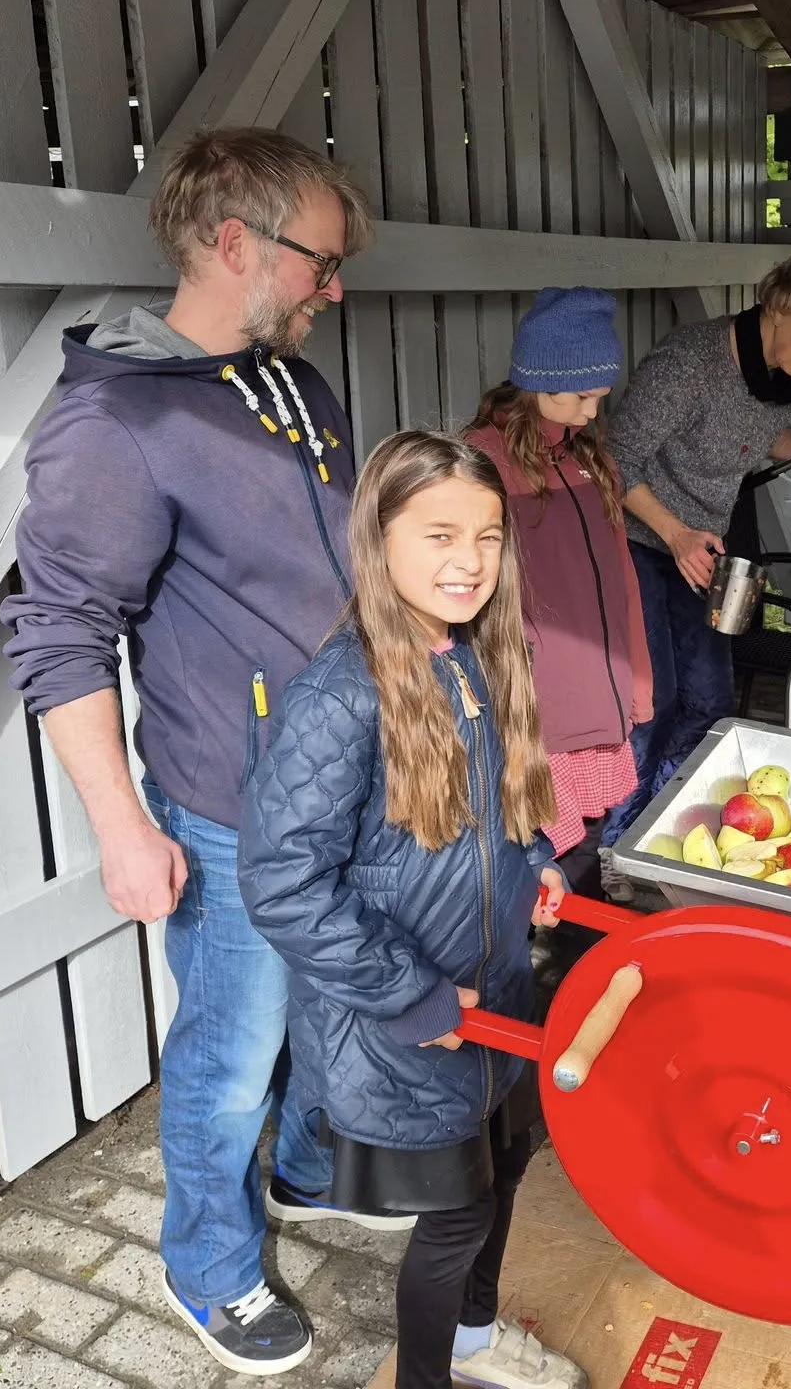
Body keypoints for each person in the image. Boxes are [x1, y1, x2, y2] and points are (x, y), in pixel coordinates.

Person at [2, 127, 390, 1376]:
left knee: (334, 998)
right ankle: (208, 1266)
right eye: (321, 263)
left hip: (345, 777)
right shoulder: (114, 422)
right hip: (229, 805)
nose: (335, 289)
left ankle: (304, 1173)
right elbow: (60, 634)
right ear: (236, 244)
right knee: (230, 1050)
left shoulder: (295, 386)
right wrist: (123, 827)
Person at [237, 432, 585, 1389]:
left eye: (487, 536)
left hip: (495, 1001)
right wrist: (406, 993)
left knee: (505, 1167)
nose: (469, 560)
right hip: (405, 1022)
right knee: (456, 1216)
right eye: (439, 534)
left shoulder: (474, 658)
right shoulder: (339, 697)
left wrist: (533, 861)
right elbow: (282, 882)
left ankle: (474, 1338)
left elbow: (490, 814)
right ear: (378, 538)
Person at [600, 250, 791, 841]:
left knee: (710, 701)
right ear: (780, 303)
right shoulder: (688, 364)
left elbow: (761, 433)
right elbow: (612, 461)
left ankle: (662, 817)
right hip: (639, 544)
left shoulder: (782, 375)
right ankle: (618, 843)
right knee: (652, 704)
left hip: (701, 553)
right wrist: (674, 533)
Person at [465, 289, 651, 900]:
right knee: (537, 842)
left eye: (599, 398)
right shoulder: (482, 463)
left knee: (589, 837)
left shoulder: (589, 459)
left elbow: (622, 575)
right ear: (538, 382)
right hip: (537, 698)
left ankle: (582, 943)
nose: (592, 414)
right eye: (580, 398)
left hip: (599, 686)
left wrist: (636, 675)